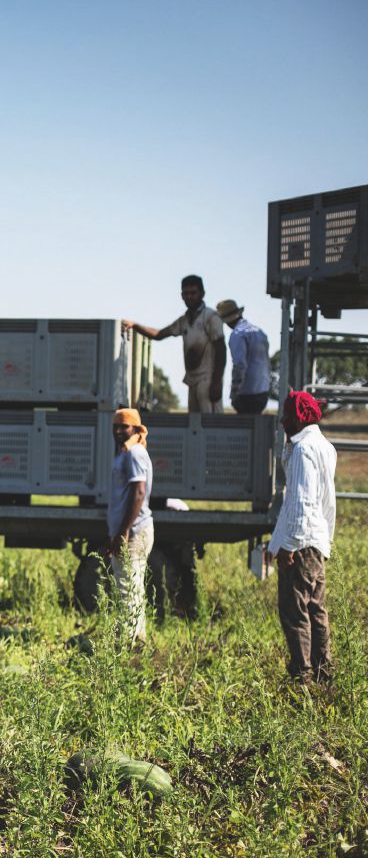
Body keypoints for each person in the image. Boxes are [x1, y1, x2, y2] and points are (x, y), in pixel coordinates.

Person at [266, 391, 337, 685]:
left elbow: (301, 501)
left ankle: (303, 678)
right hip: (315, 540)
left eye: (287, 415)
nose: (283, 421)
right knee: (315, 609)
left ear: (299, 417)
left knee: (295, 612)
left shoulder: (304, 449)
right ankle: (324, 674)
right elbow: (326, 502)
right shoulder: (324, 446)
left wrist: (288, 545)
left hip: (301, 542)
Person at [123, 274, 226, 413]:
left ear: (202, 294)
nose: (189, 297)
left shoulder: (211, 317)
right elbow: (159, 334)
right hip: (192, 379)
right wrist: (135, 325)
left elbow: (221, 350)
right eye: (186, 293)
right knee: (194, 425)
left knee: (210, 425)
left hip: (208, 379)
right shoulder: (184, 320)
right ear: (182, 295)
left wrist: (217, 382)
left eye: (193, 293)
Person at [106, 407, 154, 644]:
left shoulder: (134, 454)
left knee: (127, 587)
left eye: (123, 426)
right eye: (115, 426)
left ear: (135, 428)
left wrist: (123, 531)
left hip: (133, 532)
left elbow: (139, 492)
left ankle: (128, 643)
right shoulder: (128, 453)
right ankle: (138, 640)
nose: (118, 430)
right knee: (133, 586)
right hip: (131, 530)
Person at [215, 299, 270, 414]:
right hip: (263, 390)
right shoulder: (260, 332)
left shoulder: (237, 334)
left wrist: (234, 391)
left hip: (247, 393)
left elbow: (239, 365)